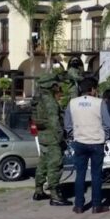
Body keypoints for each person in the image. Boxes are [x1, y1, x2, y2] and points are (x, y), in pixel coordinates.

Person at [64, 78, 110, 214]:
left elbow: (67, 124)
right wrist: (104, 136)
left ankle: (79, 205)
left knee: (80, 174)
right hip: (97, 142)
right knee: (96, 174)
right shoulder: (99, 102)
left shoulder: (72, 103)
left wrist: (74, 134)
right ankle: (96, 205)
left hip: (80, 141)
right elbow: (108, 123)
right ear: (92, 89)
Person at [32, 73, 69, 205]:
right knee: (55, 165)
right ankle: (55, 195)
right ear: (51, 85)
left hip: (43, 136)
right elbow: (55, 123)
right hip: (53, 138)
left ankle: (38, 190)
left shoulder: (38, 99)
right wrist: (61, 138)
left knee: (42, 164)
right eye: (56, 84)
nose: (58, 86)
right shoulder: (50, 102)